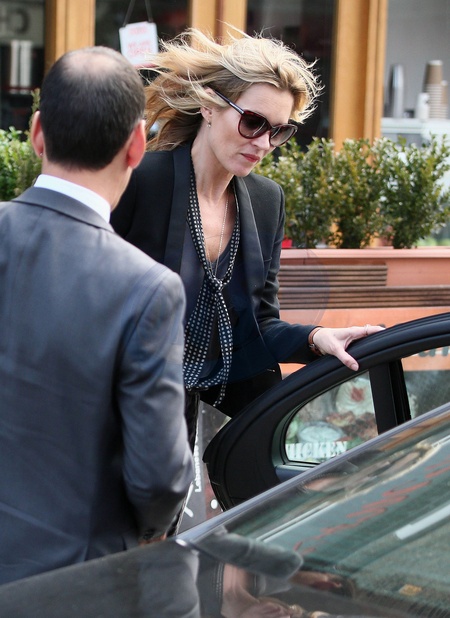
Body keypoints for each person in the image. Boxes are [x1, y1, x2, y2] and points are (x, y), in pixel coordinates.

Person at [111, 28, 383, 445]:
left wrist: (316, 338)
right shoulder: (140, 182)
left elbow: (261, 323)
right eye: (253, 122)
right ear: (208, 105)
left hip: (214, 418)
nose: (264, 143)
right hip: (124, 413)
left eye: (279, 131)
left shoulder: (266, 200)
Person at [0, 46, 194, 585]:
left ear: (37, 132)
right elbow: (158, 478)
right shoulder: (146, 290)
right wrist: (152, 528)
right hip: (72, 583)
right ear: (137, 145)